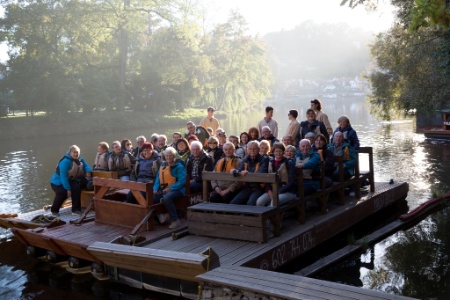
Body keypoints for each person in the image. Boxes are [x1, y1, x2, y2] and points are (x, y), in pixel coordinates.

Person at [50, 145, 92, 216]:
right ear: (70, 152)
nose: (76, 154)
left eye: (77, 152)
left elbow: (85, 165)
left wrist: (88, 171)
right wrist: (68, 189)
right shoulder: (65, 162)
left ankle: (76, 210)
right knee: (63, 192)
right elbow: (63, 177)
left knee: (76, 188)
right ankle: (54, 210)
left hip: (71, 180)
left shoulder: (80, 159)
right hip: (57, 182)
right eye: (74, 152)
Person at [153, 147, 186, 229]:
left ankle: (175, 220)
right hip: (163, 189)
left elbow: (182, 181)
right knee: (153, 197)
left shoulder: (179, 167)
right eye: (167, 155)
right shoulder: (163, 165)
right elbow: (158, 178)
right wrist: (155, 188)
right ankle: (161, 217)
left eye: (170, 156)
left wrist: (170, 188)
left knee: (166, 198)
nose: (168, 157)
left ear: (174, 156)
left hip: (178, 189)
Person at [230, 141, 269, 205]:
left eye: (254, 149)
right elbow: (239, 169)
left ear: (259, 149)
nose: (252, 150)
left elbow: (261, 173)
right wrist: (234, 171)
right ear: (247, 150)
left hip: (259, 188)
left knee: (250, 204)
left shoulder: (264, 159)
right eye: (250, 149)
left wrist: (247, 174)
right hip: (247, 187)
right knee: (234, 203)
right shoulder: (245, 159)